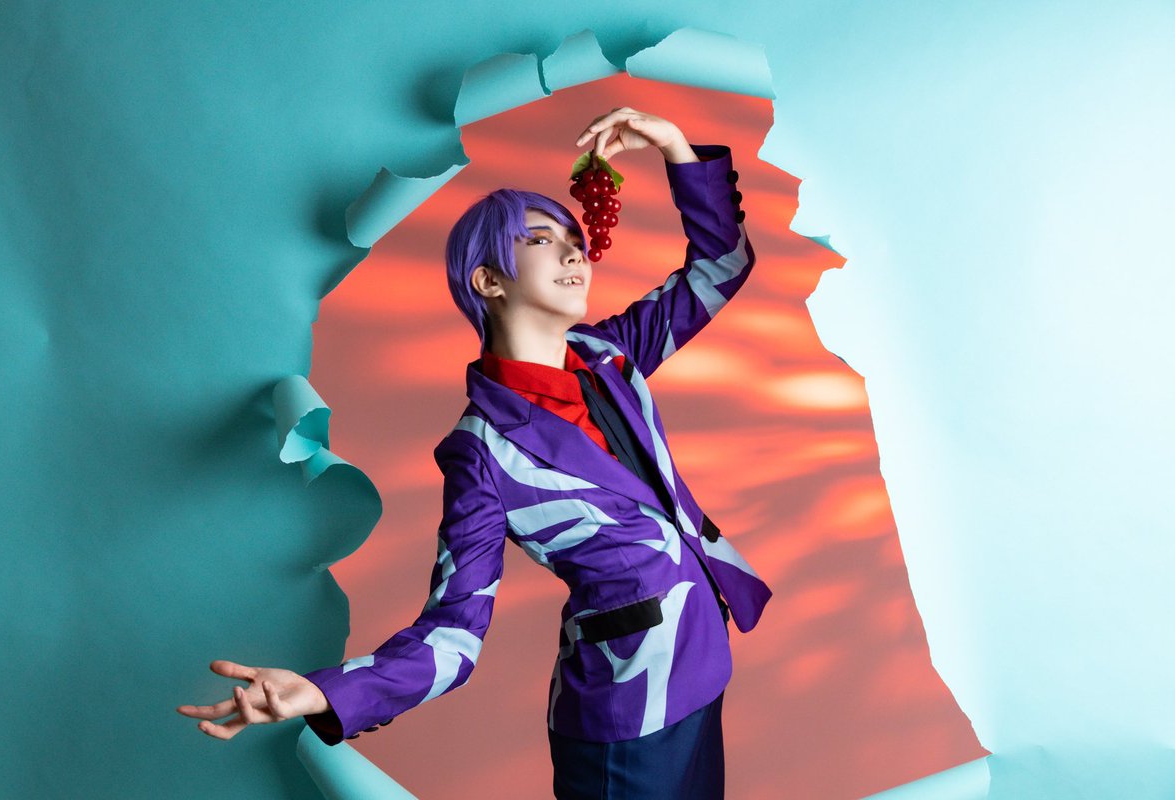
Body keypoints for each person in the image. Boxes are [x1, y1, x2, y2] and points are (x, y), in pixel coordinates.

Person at [178, 107, 772, 799]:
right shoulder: (480, 452)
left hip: (701, 669)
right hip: (624, 715)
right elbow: (453, 632)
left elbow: (721, 266)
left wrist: (673, 147)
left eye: (574, 239)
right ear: (489, 281)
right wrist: (323, 693)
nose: (574, 253)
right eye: (542, 240)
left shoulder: (611, 355)